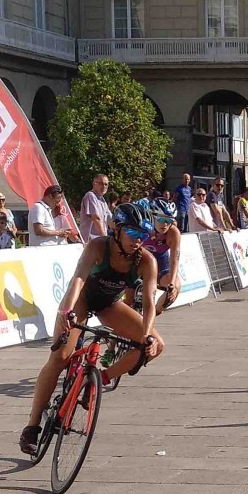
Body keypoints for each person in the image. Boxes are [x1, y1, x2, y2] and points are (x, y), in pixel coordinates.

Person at [19, 202, 165, 455]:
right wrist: (66, 311)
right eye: (132, 234)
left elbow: (150, 303)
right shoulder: (98, 246)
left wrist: (146, 335)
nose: (137, 241)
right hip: (82, 300)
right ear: (117, 231)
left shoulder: (146, 260)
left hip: (109, 304)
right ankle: (32, 426)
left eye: (142, 236)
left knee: (155, 345)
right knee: (60, 356)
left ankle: (97, 382)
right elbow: (78, 278)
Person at [132, 197, 182, 314]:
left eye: (168, 221)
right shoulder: (143, 227)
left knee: (176, 287)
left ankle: (155, 313)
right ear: (152, 216)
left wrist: (172, 283)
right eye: (160, 219)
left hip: (161, 263)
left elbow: (175, 258)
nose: (164, 224)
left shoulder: (173, 233)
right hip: (140, 260)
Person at [80, 174, 113, 242]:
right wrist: (104, 238)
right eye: (100, 183)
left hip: (100, 240)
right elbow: (96, 218)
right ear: (94, 184)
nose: (103, 186)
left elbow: (111, 220)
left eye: (106, 184)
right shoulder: (90, 196)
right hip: (91, 241)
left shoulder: (102, 200)